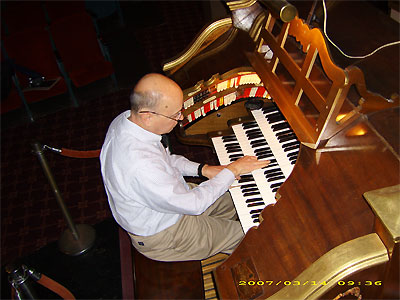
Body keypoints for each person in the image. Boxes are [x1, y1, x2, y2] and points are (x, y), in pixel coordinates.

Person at [100, 73, 269, 261]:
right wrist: (233, 170)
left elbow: (166, 160)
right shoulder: (141, 164)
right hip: (166, 233)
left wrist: (203, 169)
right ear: (148, 116)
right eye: (175, 115)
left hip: (172, 202)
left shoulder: (127, 120)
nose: (180, 119)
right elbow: (194, 204)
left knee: (240, 196)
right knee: (251, 234)